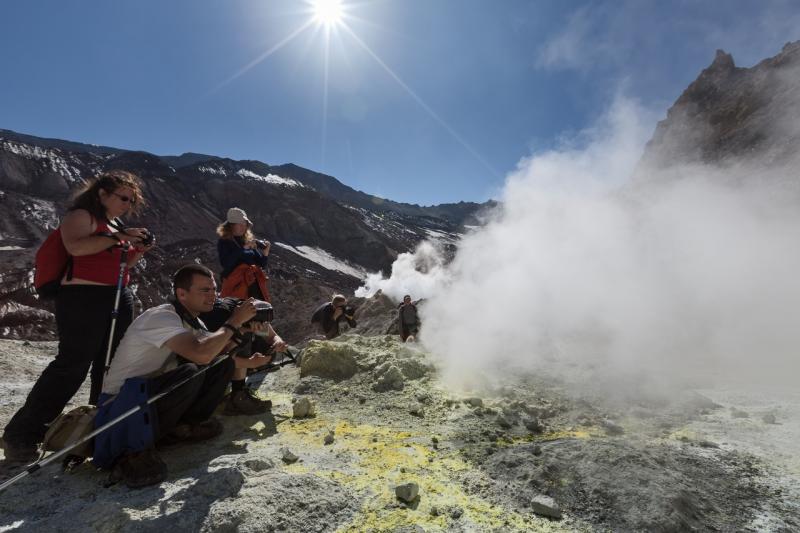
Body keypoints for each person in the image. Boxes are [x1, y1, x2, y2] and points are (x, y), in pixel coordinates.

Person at [1, 170, 153, 465]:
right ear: (102, 194)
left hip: (117, 294)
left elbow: (122, 263)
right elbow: (76, 247)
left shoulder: (113, 224)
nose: (127, 204)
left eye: (131, 200)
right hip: (83, 298)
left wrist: (136, 250)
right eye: (123, 198)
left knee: (110, 364)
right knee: (72, 365)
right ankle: (21, 434)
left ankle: (99, 423)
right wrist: (118, 237)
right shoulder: (82, 216)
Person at [92, 264, 272, 488]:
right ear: (181, 294)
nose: (213, 296)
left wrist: (242, 334)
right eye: (204, 290)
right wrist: (234, 321)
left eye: (214, 289)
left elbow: (218, 354)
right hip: (123, 405)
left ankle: (182, 428)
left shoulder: (191, 321)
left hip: (147, 396)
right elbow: (201, 354)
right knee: (190, 372)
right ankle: (133, 451)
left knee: (221, 364)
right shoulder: (162, 317)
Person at [199, 297, 289, 415]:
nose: (262, 327)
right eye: (259, 323)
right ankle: (236, 396)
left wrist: (278, 342)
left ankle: (236, 393)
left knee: (261, 346)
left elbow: (272, 336)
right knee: (241, 338)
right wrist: (250, 363)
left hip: (223, 353)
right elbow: (214, 359)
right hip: (203, 370)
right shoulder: (220, 318)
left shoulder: (250, 311)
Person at [216, 207, 270, 301]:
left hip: (253, 285)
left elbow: (261, 264)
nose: (243, 227)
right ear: (231, 225)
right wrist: (243, 249)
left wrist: (265, 253)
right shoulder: (224, 241)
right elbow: (226, 263)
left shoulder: (246, 241)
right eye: (239, 224)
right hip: (236, 287)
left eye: (245, 224)